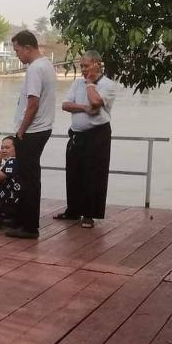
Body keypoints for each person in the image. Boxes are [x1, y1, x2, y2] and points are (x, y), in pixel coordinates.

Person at [54, 49, 117, 228]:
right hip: (77, 134)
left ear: (97, 64)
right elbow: (66, 105)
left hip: (97, 134)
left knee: (94, 174)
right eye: (81, 66)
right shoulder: (76, 83)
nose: (83, 69)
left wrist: (90, 83)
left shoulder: (107, 85)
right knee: (74, 173)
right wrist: (83, 108)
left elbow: (96, 102)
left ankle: (89, 214)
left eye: (86, 66)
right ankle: (73, 210)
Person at [7, 30, 57, 240]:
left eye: (17, 50)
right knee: (27, 176)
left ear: (28, 47)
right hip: (41, 128)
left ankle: (29, 227)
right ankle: (23, 220)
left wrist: (21, 131)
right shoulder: (46, 65)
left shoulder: (35, 69)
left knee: (28, 178)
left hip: (32, 131)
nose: (17, 54)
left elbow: (33, 103)